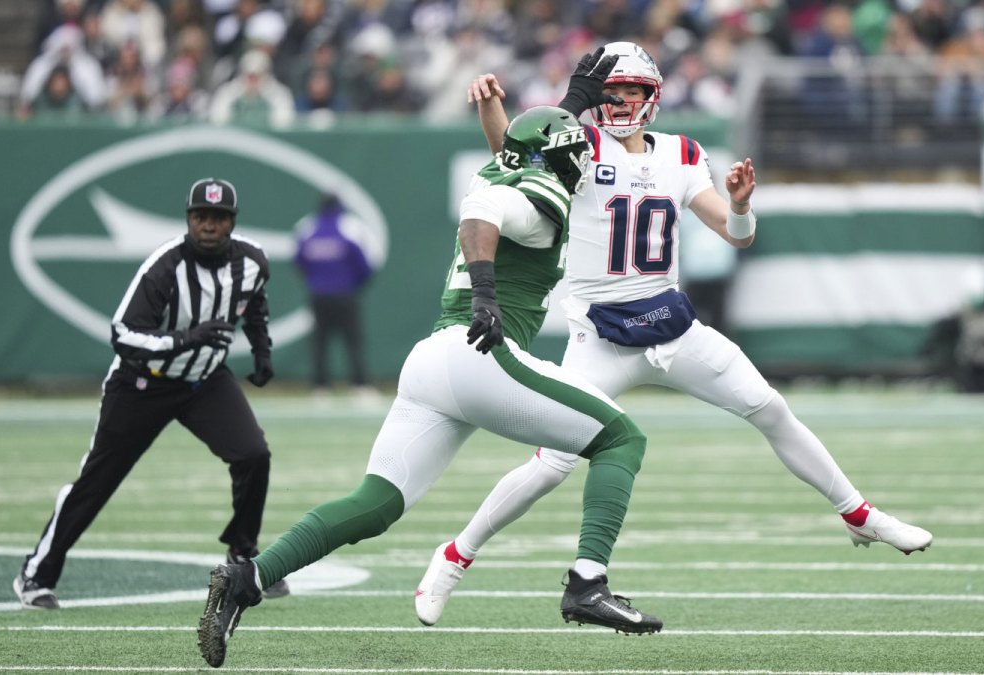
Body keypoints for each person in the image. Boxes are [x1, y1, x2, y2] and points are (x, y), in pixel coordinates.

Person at [413, 40, 933, 630]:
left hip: (671, 324)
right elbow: (510, 154)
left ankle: (857, 514)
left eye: (632, 92)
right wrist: (489, 107)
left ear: (652, 98)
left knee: (769, 407)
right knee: (552, 462)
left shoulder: (683, 154)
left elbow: (735, 234)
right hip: (601, 334)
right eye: (611, 93)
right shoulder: (580, 146)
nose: (620, 102)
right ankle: (454, 558)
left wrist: (740, 206)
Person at [197, 103, 664, 670]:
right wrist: (488, 296)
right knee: (622, 439)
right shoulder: (537, 193)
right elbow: (485, 213)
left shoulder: (498, 169)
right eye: (576, 153)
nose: (584, 162)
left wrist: (551, 102)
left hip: (432, 361)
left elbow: (500, 173)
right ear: (554, 158)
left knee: (375, 504)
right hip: (481, 353)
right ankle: (588, 582)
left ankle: (248, 576)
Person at [14, 178, 288, 610]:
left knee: (253, 454)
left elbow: (253, 302)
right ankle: (36, 574)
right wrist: (187, 337)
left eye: (218, 218)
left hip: (205, 380)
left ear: (232, 222)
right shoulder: (165, 267)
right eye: (201, 217)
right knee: (98, 481)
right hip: (144, 382)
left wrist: (261, 350)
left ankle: (242, 553)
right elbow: (123, 336)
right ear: (188, 219)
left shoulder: (253, 261)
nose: (209, 226)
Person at [293, 193, 377, 400]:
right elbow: (364, 264)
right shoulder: (350, 227)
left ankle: (320, 387)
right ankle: (360, 386)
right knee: (353, 339)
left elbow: (298, 260)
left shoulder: (307, 227)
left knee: (320, 340)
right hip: (345, 294)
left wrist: (315, 280)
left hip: (319, 295)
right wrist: (352, 283)